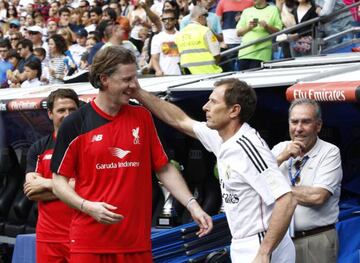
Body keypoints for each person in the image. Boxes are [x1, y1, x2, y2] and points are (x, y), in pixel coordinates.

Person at [50, 46, 213, 263]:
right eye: (127, 79)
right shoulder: (76, 123)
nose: (133, 85)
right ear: (104, 79)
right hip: (90, 244)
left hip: (136, 243)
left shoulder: (142, 116)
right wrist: (86, 206)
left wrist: (193, 205)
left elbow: (163, 167)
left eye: (134, 77)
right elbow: (58, 182)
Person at [132, 77, 297, 263]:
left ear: (234, 111)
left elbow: (287, 200)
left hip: (260, 243)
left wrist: (264, 252)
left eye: (213, 101)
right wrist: (138, 92)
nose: (205, 106)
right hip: (242, 242)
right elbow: (179, 120)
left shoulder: (249, 147)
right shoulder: (221, 137)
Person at [271, 98, 342, 263]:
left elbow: (317, 197)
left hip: (315, 240)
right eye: (294, 122)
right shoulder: (279, 149)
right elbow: (257, 183)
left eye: (306, 122)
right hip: (281, 241)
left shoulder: (330, 152)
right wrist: (281, 158)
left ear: (318, 126)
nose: (298, 129)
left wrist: (276, 189)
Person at [24, 88, 80, 263]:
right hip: (48, 237)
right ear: (50, 113)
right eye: (61, 110)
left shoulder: (90, 144)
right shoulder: (38, 148)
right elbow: (32, 192)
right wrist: (70, 187)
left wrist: (46, 184)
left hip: (82, 234)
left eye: (72, 110)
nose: (67, 115)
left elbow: (89, 187)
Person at [236, 0, 283, 70]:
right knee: (243, 79)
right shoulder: (247, 11)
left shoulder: (273, 9)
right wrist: (249, 27)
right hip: (244, 53)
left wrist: (267, 26)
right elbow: (238, 33)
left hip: (262, 54)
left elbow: (278, 31)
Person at [175, 6, 222, 74]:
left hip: (189, 75)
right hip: (209, 73)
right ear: (200, 17)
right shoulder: (205, 31)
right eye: (205, 16)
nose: (206, 19)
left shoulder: (180, 34)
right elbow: (216, 54)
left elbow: (179, 55)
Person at [151, 9, 181, 76]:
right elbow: (154, 58)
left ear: (175, 20)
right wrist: (158, 70)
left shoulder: (181, 36)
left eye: (170, 19)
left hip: (181, 75)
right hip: (165, 75)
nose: (167, 22)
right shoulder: (157, 38)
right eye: (164, 19)